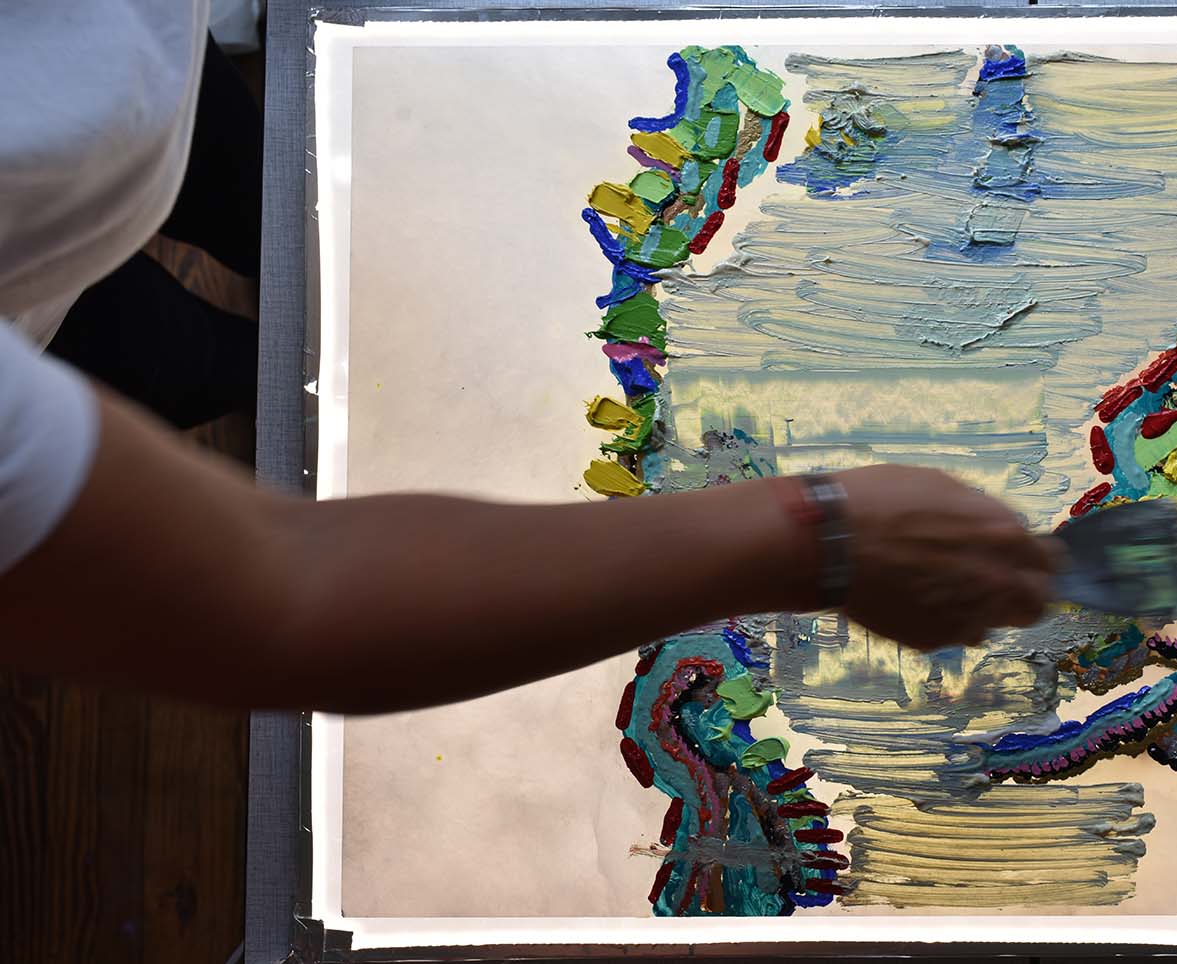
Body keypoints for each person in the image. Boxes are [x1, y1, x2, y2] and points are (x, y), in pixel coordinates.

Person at [0, 1, 1054, 714]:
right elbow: (281, 599)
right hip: (41, 284)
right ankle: (248, 370)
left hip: (132, 121)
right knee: (177, 361)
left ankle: (262, 342)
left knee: (257, 214)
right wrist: (818, 534)